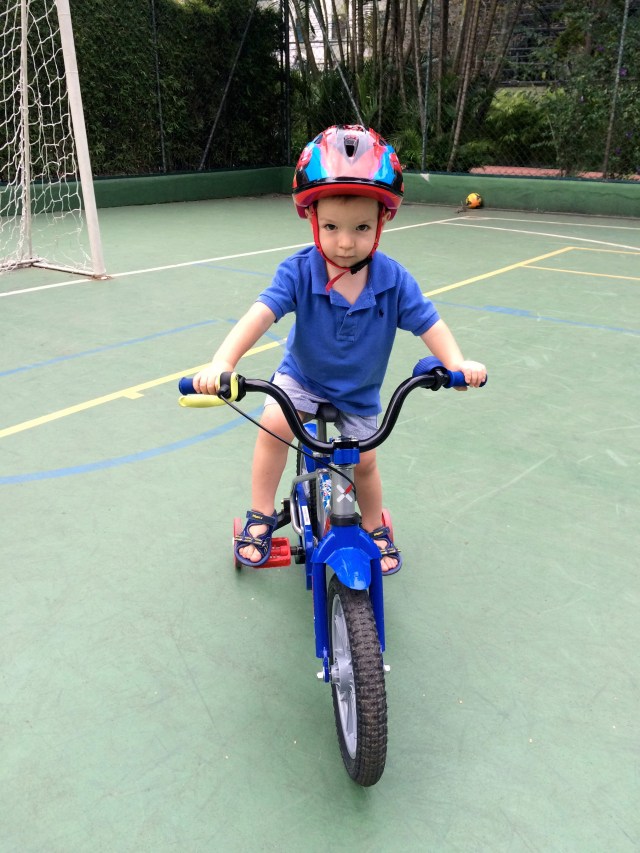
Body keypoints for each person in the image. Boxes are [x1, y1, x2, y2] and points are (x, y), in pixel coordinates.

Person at [193, 125, 486, 573]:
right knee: (274, 423)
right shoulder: (299, 272)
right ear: (312, 220)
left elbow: (431, 323)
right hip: (303, 378)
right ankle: (260, 512)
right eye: (331, 227)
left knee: (364, 462)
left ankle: (373, 525)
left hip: (358, 393)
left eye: (361, 227)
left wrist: (456, 364)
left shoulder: (393, 280)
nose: (345, 242)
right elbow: (260, 314)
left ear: (382, 223)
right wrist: (223, 362)